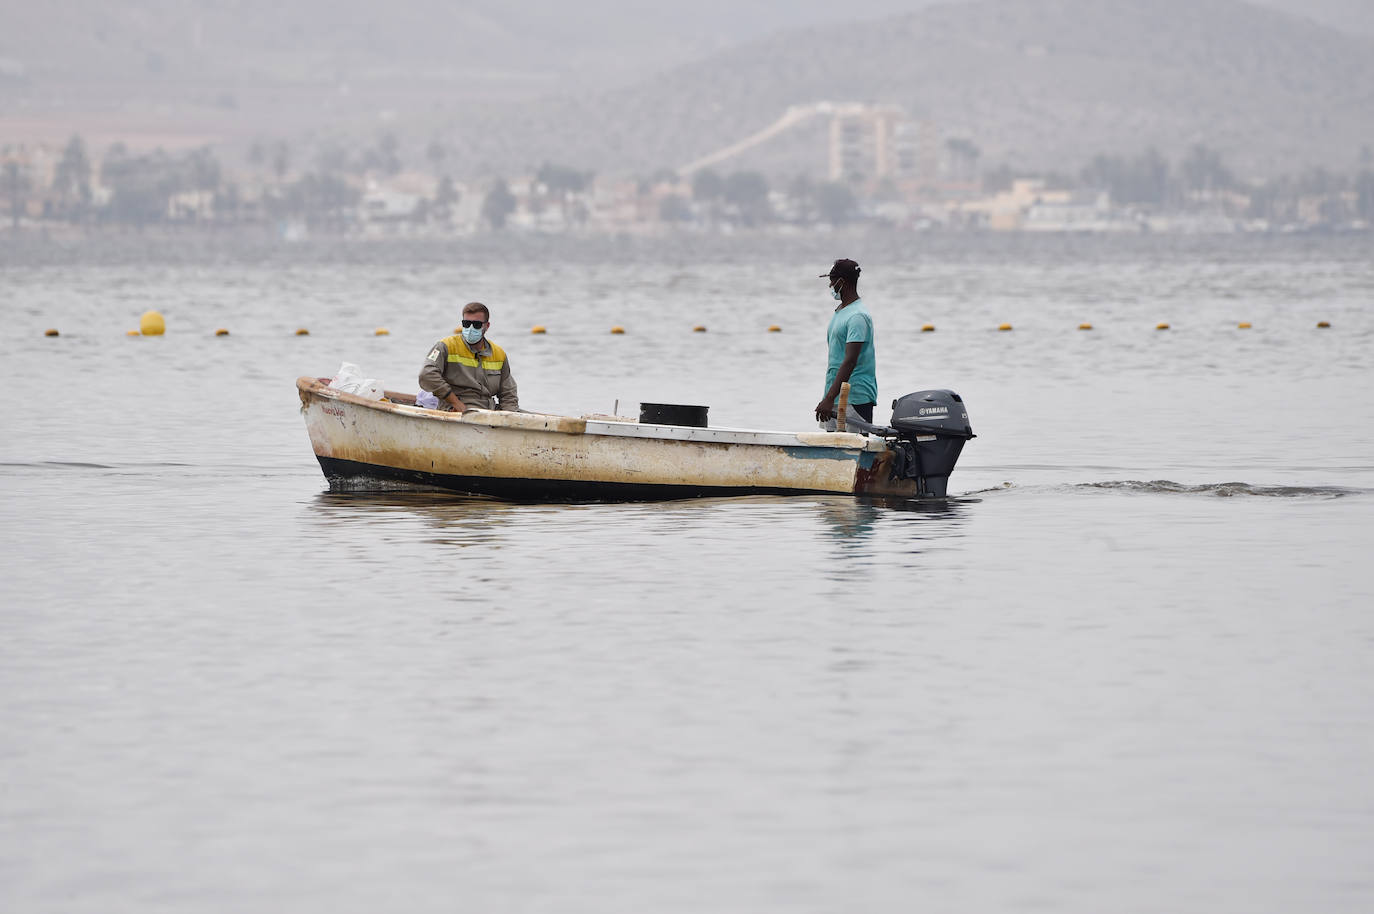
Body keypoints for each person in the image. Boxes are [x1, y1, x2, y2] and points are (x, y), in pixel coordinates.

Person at [418, 302, 519, 413]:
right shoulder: (445, 346)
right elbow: (426, 375)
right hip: (457, 410)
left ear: (487, 326)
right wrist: (455, 402)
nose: (470, 328)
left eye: (476, 325)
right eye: (466, 323)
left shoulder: (499, 354)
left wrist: (510, 415)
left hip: (489, 410)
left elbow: (508, 393)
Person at [815, 258, 877, 425]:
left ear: (841, 282)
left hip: (854, 399)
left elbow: (850, 361)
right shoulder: (841, 311)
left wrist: (829, 398)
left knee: (855, 448)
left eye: (832, 281)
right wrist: (829, 397)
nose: (830, 286)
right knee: (830, 449)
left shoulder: (857, 316)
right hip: (834, 396)